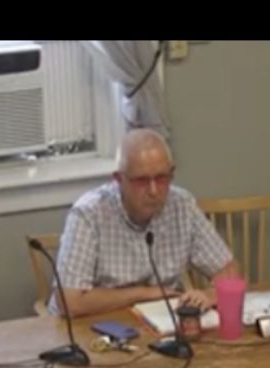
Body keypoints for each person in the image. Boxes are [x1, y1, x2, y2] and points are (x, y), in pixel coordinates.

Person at [51, 128, 240, 317]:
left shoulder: (182, 205)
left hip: (161, 321)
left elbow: (228, 271)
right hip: (96, 326)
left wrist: (208, 295)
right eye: (142, 181)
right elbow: (70, 302)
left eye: (161, 178)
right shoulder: (88, 214)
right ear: (119, 179)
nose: (153, 191)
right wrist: (144, 294)